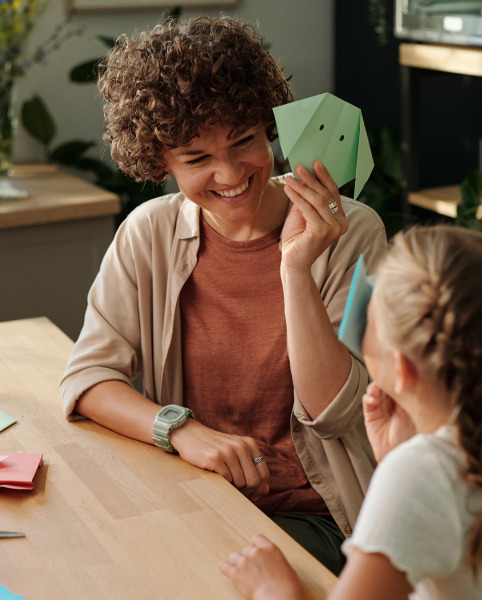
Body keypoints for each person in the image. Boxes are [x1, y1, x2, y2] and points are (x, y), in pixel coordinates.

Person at [59, 16, 387, 575]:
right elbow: (88, 379)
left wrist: (295, 268)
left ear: (268, 128)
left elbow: (337, 413)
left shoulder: (351, 231)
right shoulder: (149, 233)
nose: (231, 173)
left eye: (245, 141)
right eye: (196, 159)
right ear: (159, 160)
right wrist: (180, 428)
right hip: (197, 494)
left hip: (319, 514)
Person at [220, 225, 482, 600]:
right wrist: (399, 458)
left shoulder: (425, 473)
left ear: (401, 368)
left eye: (370, 312)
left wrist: (276, 591)